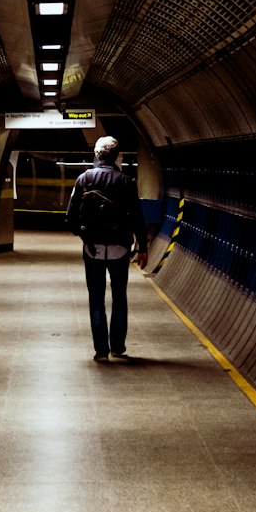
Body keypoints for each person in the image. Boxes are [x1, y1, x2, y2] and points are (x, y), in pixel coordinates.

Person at [66, 136, 149, 362]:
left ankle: (101, 350)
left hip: (92, 248)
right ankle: (118, 346)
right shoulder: (127, 182)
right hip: (119, 248)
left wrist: (84, 235)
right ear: (116, 156)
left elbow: (71, 216)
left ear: (97, 154)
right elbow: (138, 218)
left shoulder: (84, 179)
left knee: (96, 299)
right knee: (119, 297)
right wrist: (142, 246)